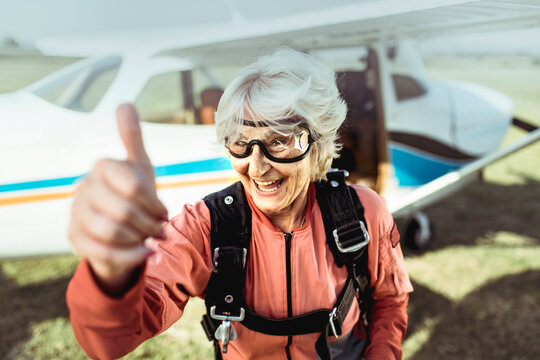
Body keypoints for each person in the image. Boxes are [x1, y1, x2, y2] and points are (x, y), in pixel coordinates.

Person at [66, 49, 413, 360]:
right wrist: (109, 277)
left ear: (319, 141)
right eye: (241, 143)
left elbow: (389, 299)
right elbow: (110, 343)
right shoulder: (207, 226)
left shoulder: (362, 213)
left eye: (280, 142)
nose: (257, 166)